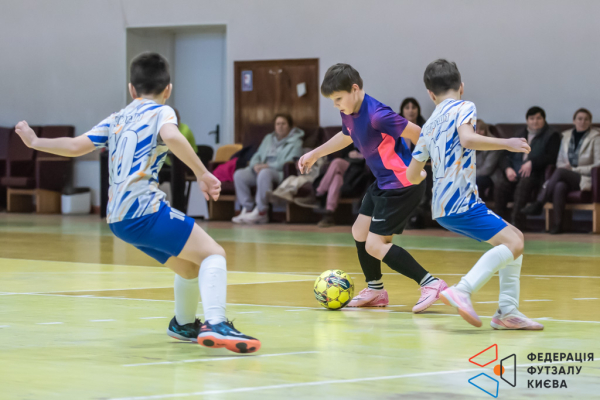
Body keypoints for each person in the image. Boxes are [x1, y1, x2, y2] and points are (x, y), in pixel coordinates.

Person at [14, 52, 261, 353]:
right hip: (145, 211)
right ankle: (216, 323)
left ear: (131, 89)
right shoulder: (162, 112)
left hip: (118, 219)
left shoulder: (117, 118)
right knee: (214, 255)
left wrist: (35, 141)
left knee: (189, 268)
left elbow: (77, 145)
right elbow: (172, 136)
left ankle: (183, 324)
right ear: (168, 89)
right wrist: (202, 172)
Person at [298, 63, 447, 312]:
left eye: (338, 99)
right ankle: (376, 290)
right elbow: (347, 135)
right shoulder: (349, 111)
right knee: (359, 231)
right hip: (383, 182)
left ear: (355, 89)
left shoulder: (378, 115)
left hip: (402, 184)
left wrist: (419, 167)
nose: (336, 105)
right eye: (333, 101)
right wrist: (315, 153)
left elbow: (419, 134)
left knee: (375, 245)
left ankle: (431, 284)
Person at [407, 59, 543, 330]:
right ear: (461, 86)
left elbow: (412, 174)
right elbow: (467, 139)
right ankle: (463, 290)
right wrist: (507, 143)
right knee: (514, 243)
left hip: (441, 207)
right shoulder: (464, 106)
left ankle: (507, 311)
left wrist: (422, 175)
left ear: (430, 94)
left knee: (515, 239)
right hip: (461, 201)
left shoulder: (428, 125)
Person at [521, 108, 600, 233]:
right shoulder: (566, 136)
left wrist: (574, 169)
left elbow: (598, 164)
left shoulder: (596, 137)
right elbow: (559, 161)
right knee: (559, 186)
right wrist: (565, 167)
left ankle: (539, 203)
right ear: (574, 121)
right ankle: (558, 225)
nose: (582, 122)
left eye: (586, 119)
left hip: (585, 177)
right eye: (579, 119)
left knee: (560, 172)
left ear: (590, 122)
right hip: (565, 175)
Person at [494, 106, 561, 228]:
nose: (535, 121)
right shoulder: (518, 134)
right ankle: (498, 223)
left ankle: (516, 223)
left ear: (544, 119)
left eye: (538, 118)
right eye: (532, 118)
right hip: (514, 171)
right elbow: (503, 155)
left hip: (536, 173)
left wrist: (532, 163)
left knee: (524, 184)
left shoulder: (552, 135)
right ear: (527, 120)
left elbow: (552, 157)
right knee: (500, 185)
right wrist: (507, 169)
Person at [232, 114, 304, 224]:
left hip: (279, 172)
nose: (280, 127)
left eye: (283, 124)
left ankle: (261, 212)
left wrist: (268, 166)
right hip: (261, 169)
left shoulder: (296, 142)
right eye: (277, 124)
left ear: (289, 126)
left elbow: (290, 161)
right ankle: (248, 209)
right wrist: (255, 165)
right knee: (239, 175)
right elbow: (257, 155)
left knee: (264, 173)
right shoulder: (268, 139)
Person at [293, 144, 366, 228]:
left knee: (336, 162)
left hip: (359, 170)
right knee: (337, 178)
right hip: (346, 167)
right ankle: (329, 213)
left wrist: (361, 155)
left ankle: (318, 193)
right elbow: (343, 151)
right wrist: (349, 153)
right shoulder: (351, 137)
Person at [399, 97, 430, 229]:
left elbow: (430, 152)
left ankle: (418, 212)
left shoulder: (426, 128)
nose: (411, 110)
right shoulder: (395, 128)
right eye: (407, 108)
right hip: (399, 167)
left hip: (421, 167)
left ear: (418, 110)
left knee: (425, 175)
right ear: (402, 111)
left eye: (413, 107)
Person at [475, 119, 502, 200]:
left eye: (481, 129)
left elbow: (486, 170)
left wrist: (468, 174)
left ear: (486, 131)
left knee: (476, 181)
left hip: (490, 176)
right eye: (475, 129)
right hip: (474, 174)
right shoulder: (467, 144)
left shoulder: (494, 144)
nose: (478, 132)